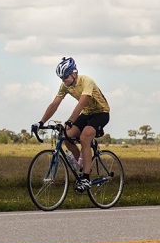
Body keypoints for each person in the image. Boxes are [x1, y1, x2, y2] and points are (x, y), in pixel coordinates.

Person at [32, 57, 110, 192]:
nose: (64, 80)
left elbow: (81, 103)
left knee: (84, 137)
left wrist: (70, 120)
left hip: (101, 113)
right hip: (87, 113)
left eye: (66, 76)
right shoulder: (65, 86)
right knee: (67, 138)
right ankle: (83, 164)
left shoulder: (86, 81)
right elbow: (55, 104)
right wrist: (41, 122)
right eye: (61, 78)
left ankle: (86, 177)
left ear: (74, 73)